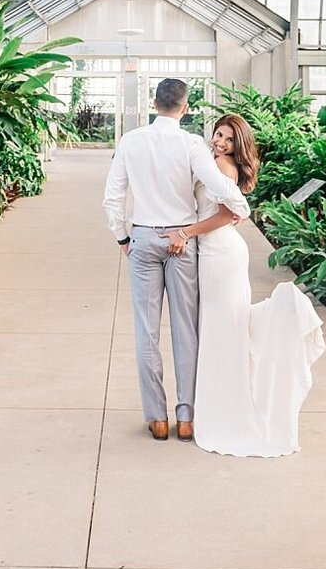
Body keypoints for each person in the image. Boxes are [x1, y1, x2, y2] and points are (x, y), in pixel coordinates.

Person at [160, 113, 325, 457]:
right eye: (219, 134)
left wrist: (185, 232)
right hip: (217, 252)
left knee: (222, 332)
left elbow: (225, 214)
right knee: (223, 331)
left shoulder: (222, 165)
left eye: (229, 139)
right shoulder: (216, 160)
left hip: (221, 255)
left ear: (238, 147)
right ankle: (218, 406)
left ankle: (224, 412)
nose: (220, 142)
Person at [103, 79, 250, 442]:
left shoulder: (130, 141)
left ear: (155, 104)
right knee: (186, 329)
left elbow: (112, 198)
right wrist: (242, 206)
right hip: (182, 242)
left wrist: (124, 237)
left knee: (146, 331)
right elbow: (218, 187)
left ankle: (156, 417)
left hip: (143, 237)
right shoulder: (192, 145)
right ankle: (186, 417)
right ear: (185, 108)